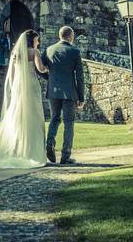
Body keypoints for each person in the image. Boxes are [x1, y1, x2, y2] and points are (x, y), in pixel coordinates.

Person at [0, 29, 49, 168]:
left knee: (17, 115)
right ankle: (31, 152)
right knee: (33, 116)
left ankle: (16, 149)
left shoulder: (16, 53)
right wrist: (48, 68)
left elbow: (14, 73)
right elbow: (40, 69)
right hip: (31, 85)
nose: (38, 42)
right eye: (36, 39)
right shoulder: (34, 52)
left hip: (18, 86)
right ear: (31, 40)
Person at [45, 26, 85, 164]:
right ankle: (65, 156)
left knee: (54, 119)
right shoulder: (74, 51)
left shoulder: (49, 50)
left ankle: (49, 143)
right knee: (69, 123)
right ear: (70, 36)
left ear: (59, 36)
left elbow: (40, 67)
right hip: (69, 93)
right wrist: (81, 97)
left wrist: (49, 78)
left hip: (53, 91)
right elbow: (80, 76)